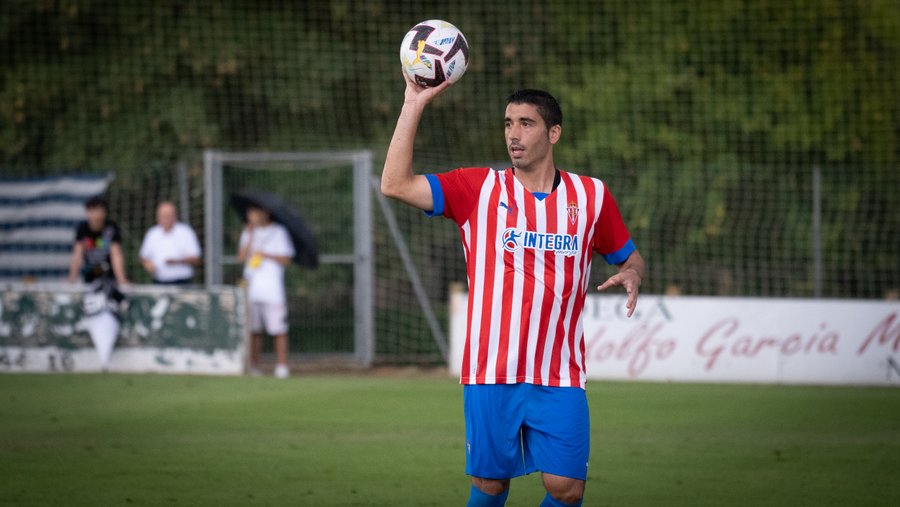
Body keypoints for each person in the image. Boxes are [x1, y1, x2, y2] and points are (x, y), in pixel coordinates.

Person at [381, 74, 645, 507]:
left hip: (559, 373)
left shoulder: (591, 196)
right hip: (491, 371)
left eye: (526, 123)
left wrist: (633, 272)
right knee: (490, 485)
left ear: (553, 132)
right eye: (507, 124)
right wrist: (413, 103)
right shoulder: (478, 188)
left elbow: (630, 257)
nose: (513, 134)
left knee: (568, 488)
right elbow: (394, 184)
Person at [238, 204, 295, 379]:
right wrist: (250, 235)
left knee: (279, 328)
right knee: (254, 329)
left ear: (265, 213)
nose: (251, 215)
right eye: (250, 212)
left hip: (272, 288)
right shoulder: (248, 232)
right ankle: (254, 365)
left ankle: (282, 366)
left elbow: (286, 259)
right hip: (252, 288)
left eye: (255, 212)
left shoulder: (278, 232)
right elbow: (241, 257)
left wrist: (265, 255)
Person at [68, 196, 129, 287]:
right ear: (88, 212)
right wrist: (71, 280)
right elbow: (77, 255)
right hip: (90, 274)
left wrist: (121, 279)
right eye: (94, 211)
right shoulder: (82, 229)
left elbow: (116, 254)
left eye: (100, 211)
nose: (97, 215)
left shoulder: (111, 228)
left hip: (108, 274)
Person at [139, 201, 202, 285]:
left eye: (168, 215)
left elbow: (195, 258)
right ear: (158, 217)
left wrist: (177, 261)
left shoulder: (186, 232)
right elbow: (143, 256)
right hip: (159, 282)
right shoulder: (152, 233)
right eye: (163, 215)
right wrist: (148, 265)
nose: (166, 218)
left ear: (175, 216)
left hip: (182, 282)